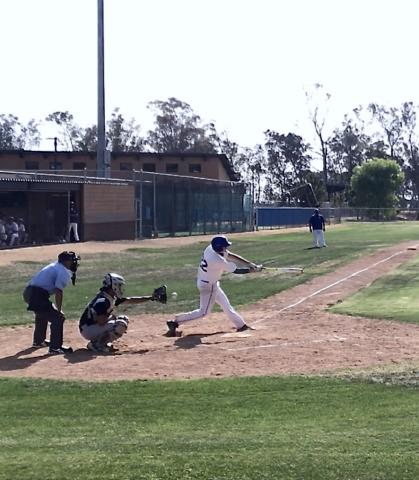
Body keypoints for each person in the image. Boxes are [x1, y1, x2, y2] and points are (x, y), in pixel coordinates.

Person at [165, 235, 261, 337]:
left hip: (209, 282)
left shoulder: (210, 248)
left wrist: (249, 264)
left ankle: (241, 325)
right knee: (203, 312)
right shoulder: (216, 260)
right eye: (224, 246)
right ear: (219, 247)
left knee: (226, 306)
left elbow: (230, 255)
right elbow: (236, 271)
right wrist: (252, 271)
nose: (226, 248)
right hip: (208, 286)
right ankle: (175, 322)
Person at [79, 273, 157, 354]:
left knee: (123, 319)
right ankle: (98, 345)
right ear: (114, 285)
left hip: (90, 327)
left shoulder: (109, 296)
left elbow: (131, 300)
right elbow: (101, 321)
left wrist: (151, 298)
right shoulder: (103, 301)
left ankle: (98, 342)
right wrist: (112, 317)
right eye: (119, 285)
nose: (121, 288)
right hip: (88, 329)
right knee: (120, 324)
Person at [22, 251, 80, 355]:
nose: (75, 263)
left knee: (42, 313)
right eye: (73, 260)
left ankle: (39, 341)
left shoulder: (56, 266)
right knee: (58, 318)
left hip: (29, 292)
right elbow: (58, 291)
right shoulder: (63, 271)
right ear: (66, 262)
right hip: (36, 295)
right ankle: (55, 348)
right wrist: (59, 309)